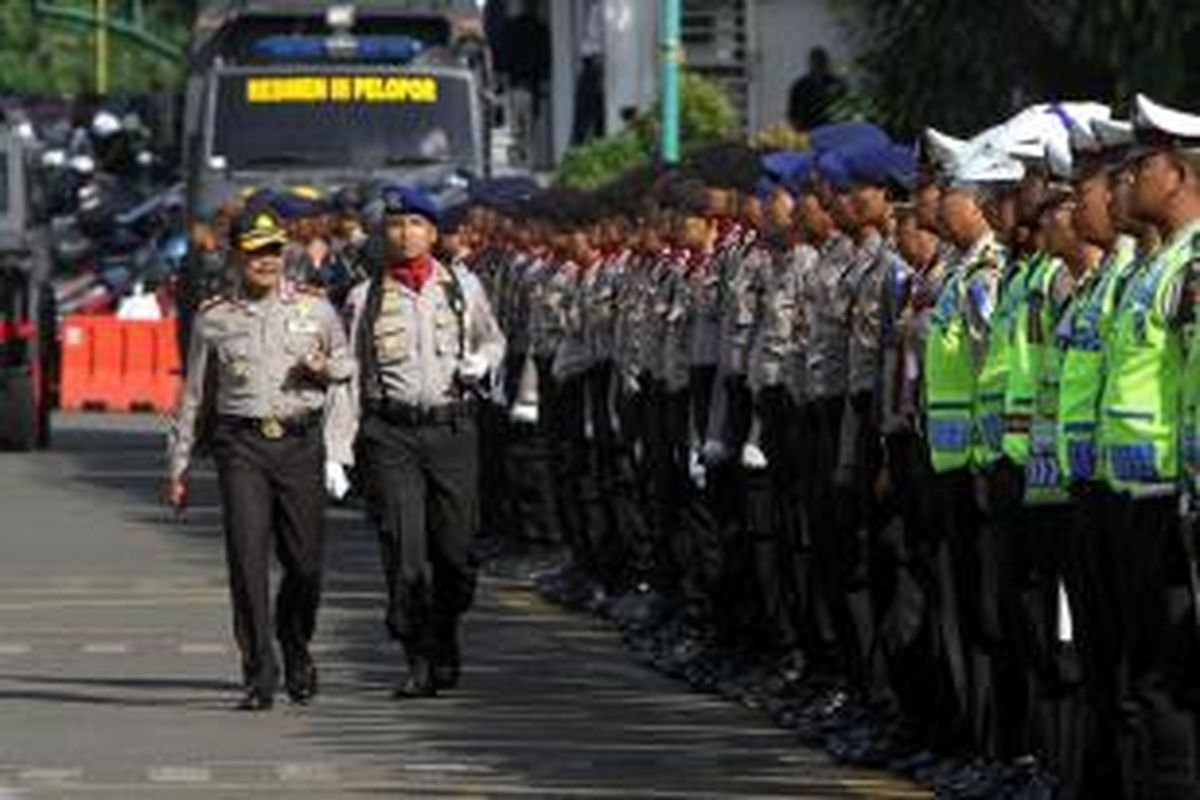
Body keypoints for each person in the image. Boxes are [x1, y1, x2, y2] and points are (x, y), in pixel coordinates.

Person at [167, 206, 354, 711]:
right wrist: (179, 464)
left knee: (306, 564)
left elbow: (345, 373)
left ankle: (295, 641)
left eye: (273, 250)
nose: (266, 261)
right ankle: (258, 671)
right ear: (236, 257)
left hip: (300, 442)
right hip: (242, 445)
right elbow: (194, 395)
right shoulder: (214, 318)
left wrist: (339, 451)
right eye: (255, 252)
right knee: (247, 561)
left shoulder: (316, 309)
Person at [326, 185, 506, 699]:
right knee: (403, 551)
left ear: (433, 232)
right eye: (396, 225)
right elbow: (350, 377)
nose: (405, 235)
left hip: (451, 429)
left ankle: (445, 631)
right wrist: (338, 452)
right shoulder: (366, 297)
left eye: (416, 225)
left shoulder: (462, 287)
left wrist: (484, 361)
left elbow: (493, 338)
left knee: (455, 554)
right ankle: (418, 657)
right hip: (391, 435)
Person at [787, 47, 847, 132]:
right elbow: (792, 115)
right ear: (810, 63)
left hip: (832, 131)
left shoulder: (836, 84)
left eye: (820, 63)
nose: (818, 66)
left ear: (826, 63)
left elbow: (845, 112)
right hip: (807, 131)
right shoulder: (800, 86)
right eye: (815, 62)